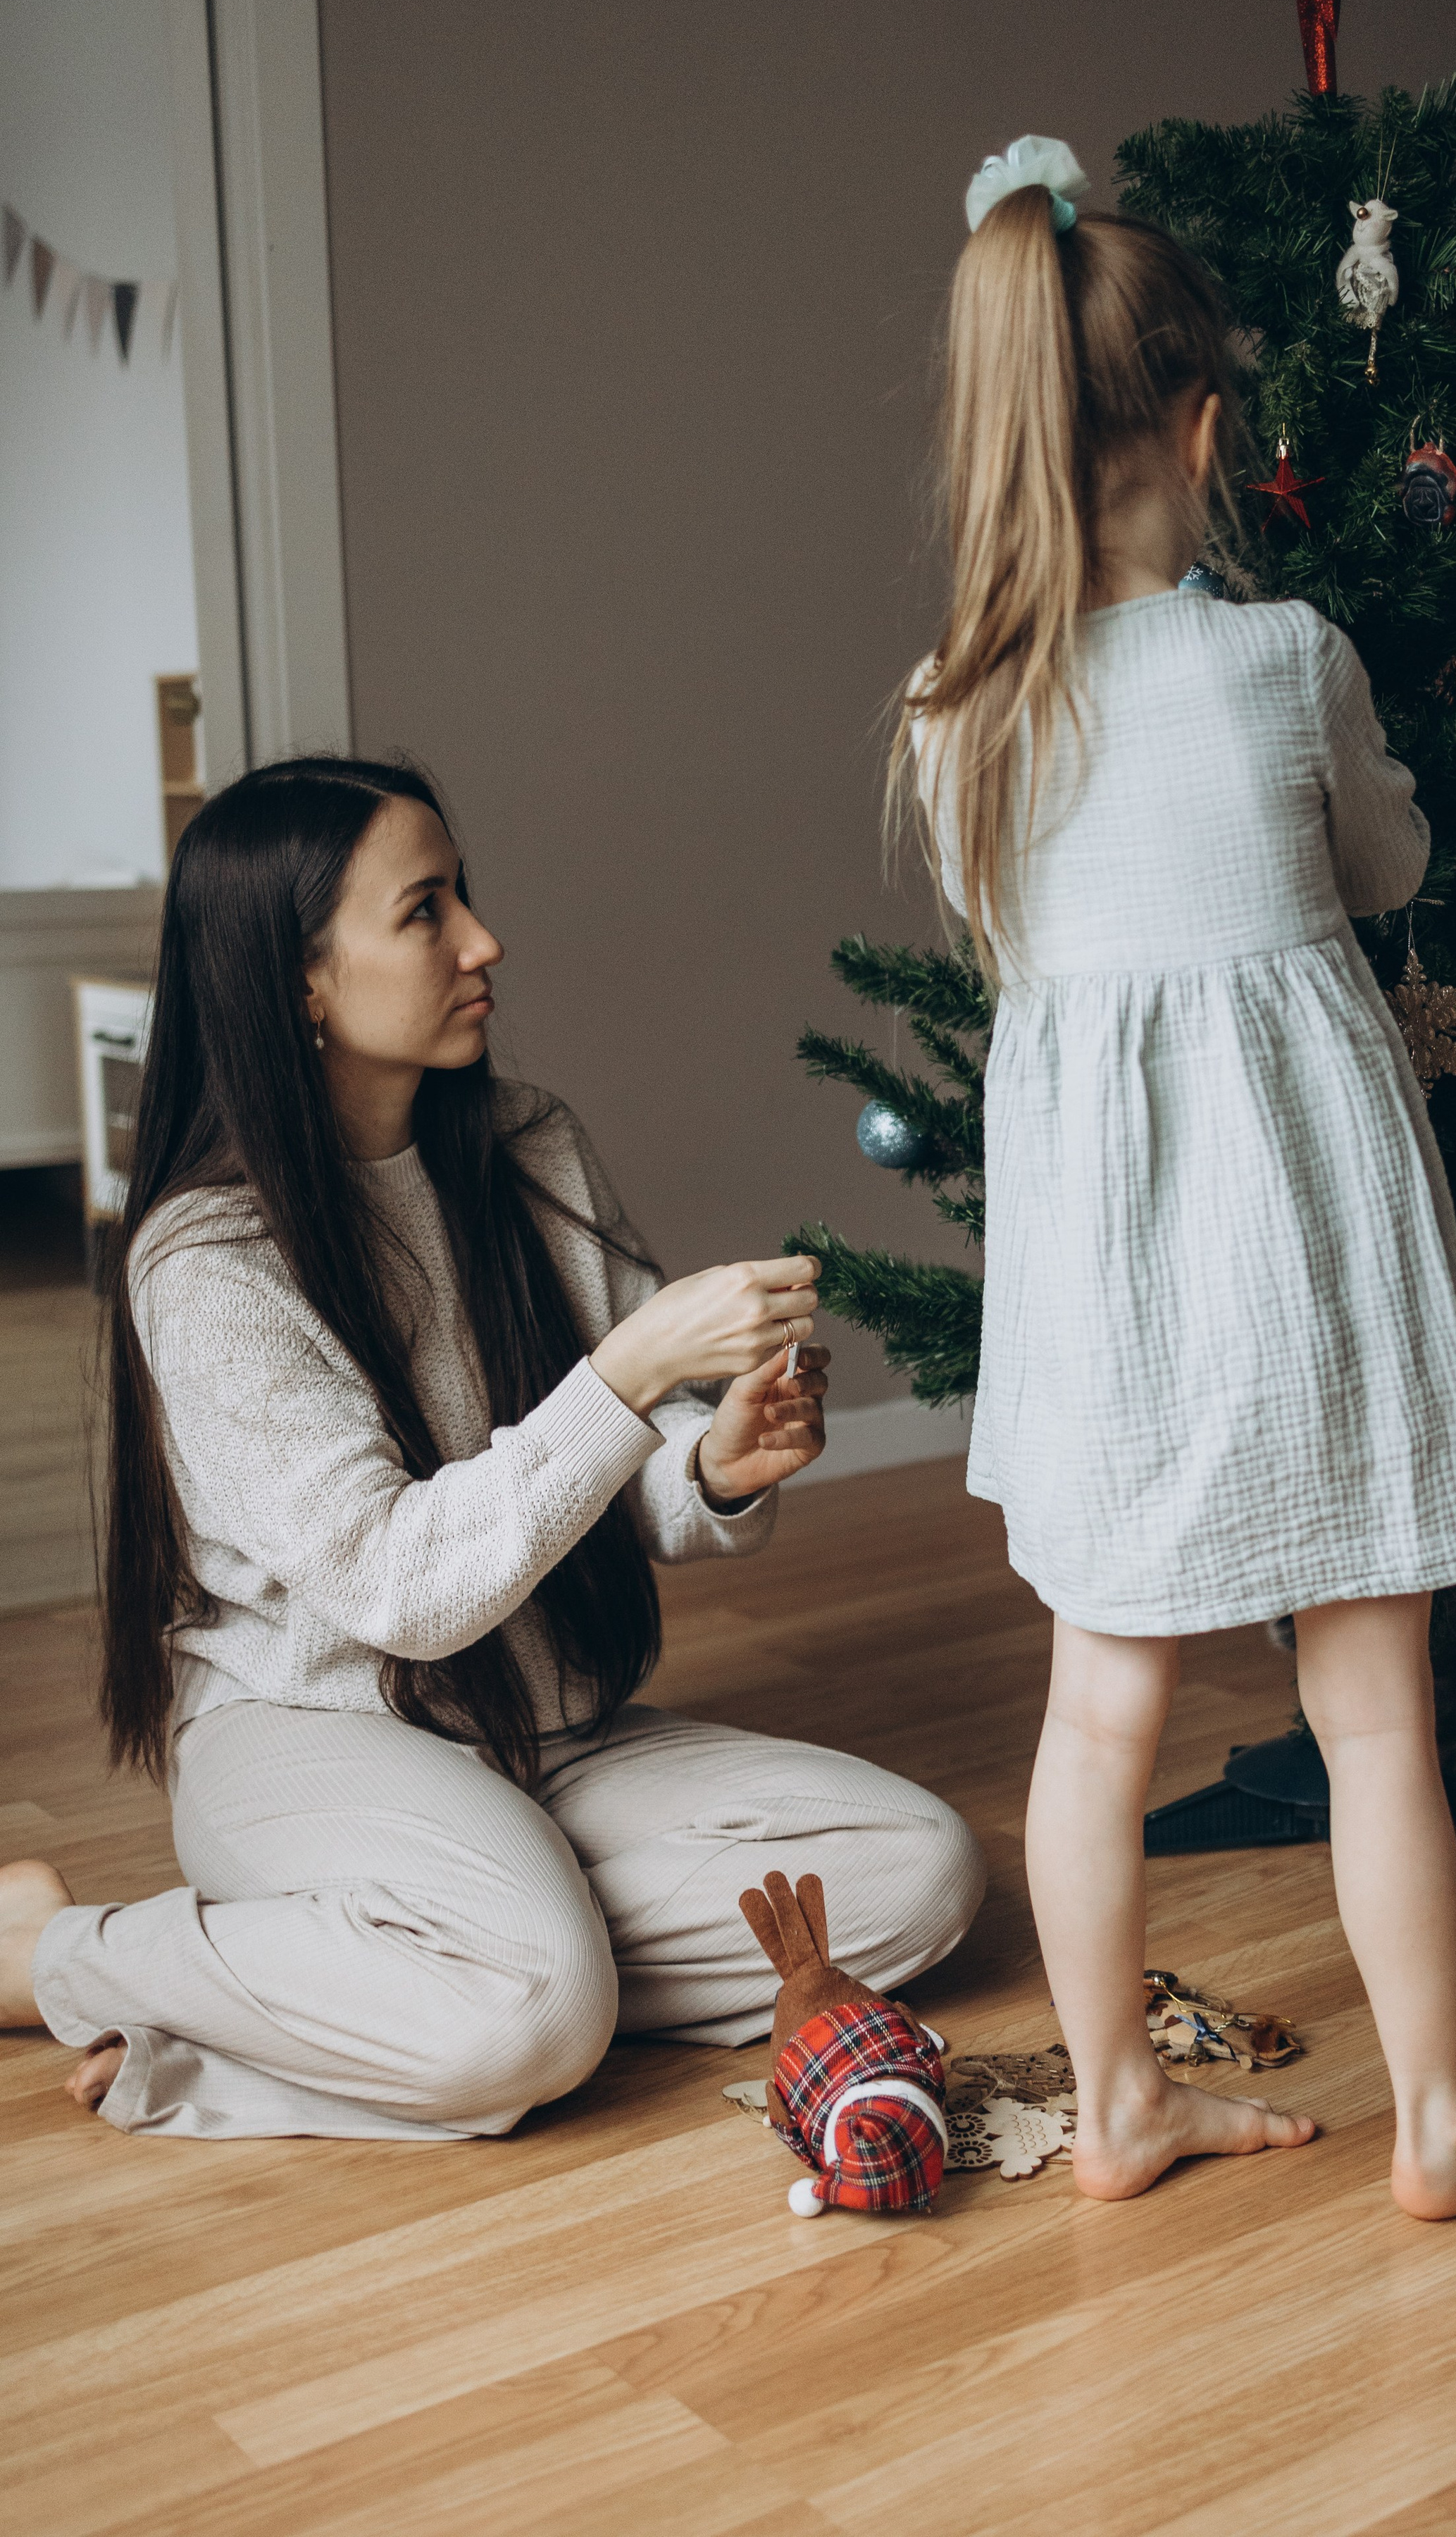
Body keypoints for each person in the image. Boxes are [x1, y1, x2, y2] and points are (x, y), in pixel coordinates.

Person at [892, 137, 1456, 2216]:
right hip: (1305, 1252)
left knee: (1098, 1712)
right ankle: (1445, 2131)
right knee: (1374, 1706)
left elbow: (1012, 942)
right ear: (1204, 426)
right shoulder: (1281, 661)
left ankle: (1116, 2107)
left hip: (1108, 1292)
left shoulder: (958, 720)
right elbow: (1388, 868)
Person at [0, 756, 983, 2139]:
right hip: (321, 1735)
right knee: (536, 2014)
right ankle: (67, 1954)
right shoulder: (207, 1260)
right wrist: (631, 1369)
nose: (482, 940)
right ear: (301, 982)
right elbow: (403, 1589)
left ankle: (393, 1982)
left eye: (464, 894)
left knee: (915, 1874)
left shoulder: (527, 1145)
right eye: (425, 911)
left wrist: (711, 1464)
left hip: (538, 1725)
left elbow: (624, 1479)